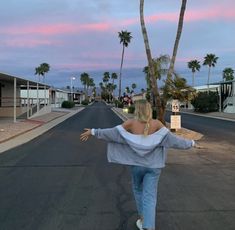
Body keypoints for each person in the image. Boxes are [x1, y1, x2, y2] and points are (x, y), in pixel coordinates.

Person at [80, 99, 198, 230]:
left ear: (137, 110)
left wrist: (93, 132)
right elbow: (174, 140)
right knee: (150, 196)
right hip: (154, 167)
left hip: (137, 166)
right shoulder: (157, 124)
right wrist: (191, 143)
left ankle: (142, 218)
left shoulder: (131, 123)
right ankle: (148, 226)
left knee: (138, 190)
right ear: (149, 110)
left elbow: (112, 133)